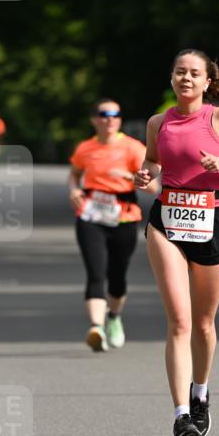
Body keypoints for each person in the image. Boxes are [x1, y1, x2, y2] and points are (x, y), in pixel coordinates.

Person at [134, 49, 219, 436]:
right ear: (171, 79)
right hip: (168, 219)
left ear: (208, 82)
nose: (186, 78)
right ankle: (181, 416)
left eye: (194, 74)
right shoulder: (159, 122)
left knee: (204, 323)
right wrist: (146, 173)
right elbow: (154, 161)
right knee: (179, 321)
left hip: (213, 220)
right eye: (179, 72)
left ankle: (200, 393)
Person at [68, 99, 154, 351]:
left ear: (119, 119)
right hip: (91, 216)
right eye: (104, 114)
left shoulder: (133, 148)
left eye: (115, 114)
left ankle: (114, 318)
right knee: (95, 273)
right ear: (95, 119)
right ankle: (96, 328)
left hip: (123, 217)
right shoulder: (85, 148)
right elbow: (73, 174)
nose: (110, 119)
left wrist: (130, 176)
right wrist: (73, 191)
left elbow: (154, 187)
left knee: (117, 276)